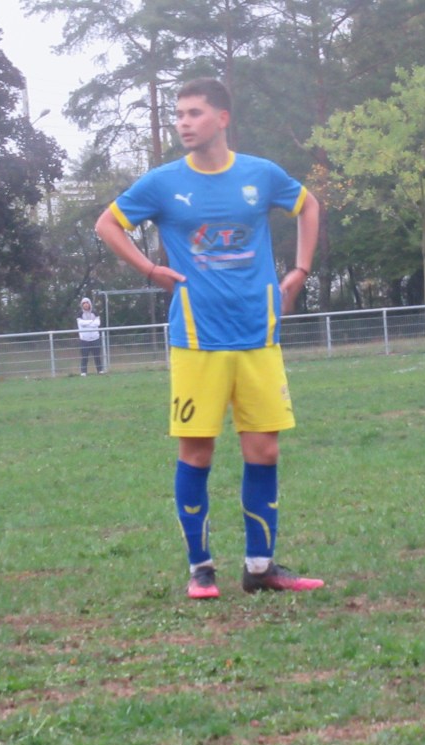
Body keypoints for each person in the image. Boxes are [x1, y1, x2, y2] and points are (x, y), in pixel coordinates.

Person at [95, 78, 324, 599]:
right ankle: (201, 569)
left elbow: (309, 206)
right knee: (197, 453)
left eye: (194, 113)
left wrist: (301, 269)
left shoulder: (260, 174)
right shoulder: (162, 183)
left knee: (264, 450)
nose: (183, 122)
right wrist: (149, 268)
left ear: (222, 118)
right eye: (179, 114)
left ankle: (260, 568)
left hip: (258, 334)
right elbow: (107, 224)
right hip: (197, 340)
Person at [77, 297, 105, 375]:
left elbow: (97, 323)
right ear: (82, 305)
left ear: (89, 304)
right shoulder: (80, 313)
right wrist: (91, 322)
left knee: (97, 356)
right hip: (84, 339)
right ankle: (83, 372)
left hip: (95, 338)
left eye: (87, 303)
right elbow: (81, 323)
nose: (86, 305)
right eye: (84, 304)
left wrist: (87, 323)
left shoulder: (95, 312)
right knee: (84, 357)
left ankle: (100, 370)